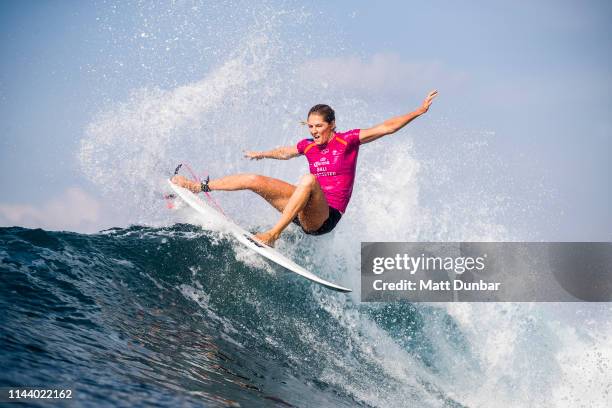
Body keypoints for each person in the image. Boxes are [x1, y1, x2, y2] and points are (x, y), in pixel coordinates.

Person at [172, 90, 438, 247]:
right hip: (303, 210)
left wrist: (418, 111)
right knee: (254, 179)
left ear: (332, 124)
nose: (314, 131)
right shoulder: (308, 145)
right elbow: (285, 152)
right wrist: (261, 153)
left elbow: (386, 127)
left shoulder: (348, 140)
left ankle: (272, 236)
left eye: (319, 126)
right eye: (310, 127)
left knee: (308, 179)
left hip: (325, 218)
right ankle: (197, 187)